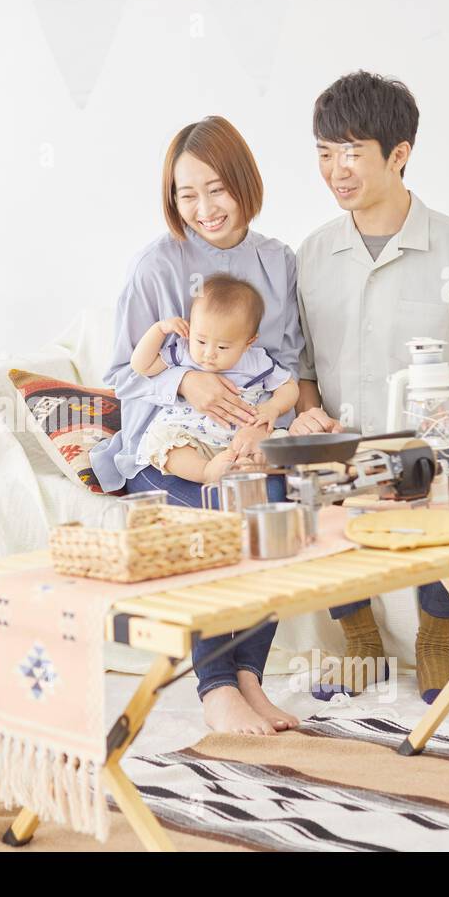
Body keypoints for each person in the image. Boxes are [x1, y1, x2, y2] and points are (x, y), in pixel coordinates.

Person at [290, 71, 449, 702]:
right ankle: (362, 646)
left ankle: (435, 643)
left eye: (352, 153)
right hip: (344, 456)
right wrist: (313, 417)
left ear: (400, 154)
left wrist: (447, 438)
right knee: (307, 487)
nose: (335, 170)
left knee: (445, 490)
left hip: (435, 456)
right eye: (324, 152)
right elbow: (305, 371)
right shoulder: (311, 256)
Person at [90, 115, 303, 735]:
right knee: (225, 507)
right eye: (187, 194)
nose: (205, 207)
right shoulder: (155, 265)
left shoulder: (277, 261)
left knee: (279, 506)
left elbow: (285, 364)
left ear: (243, 182)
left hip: (246, 440)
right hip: (168, 449)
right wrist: (186, 381)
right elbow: (120, 373)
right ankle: (215, 688)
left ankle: (249, 680)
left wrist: (267, 424)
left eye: (217, 188)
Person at [131, 274, 298, 483]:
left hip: (242, 440)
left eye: (222, 347)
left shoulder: (256, 362)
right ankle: (206, 472)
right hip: (190, 434)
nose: (209, 353)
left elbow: (289, 386)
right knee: (163, 438)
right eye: (201, 340)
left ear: (248, 343)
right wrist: (159, 330)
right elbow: (142, 366)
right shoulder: (184, 351)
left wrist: (274, 407)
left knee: (281, 442)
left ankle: (246, 466)